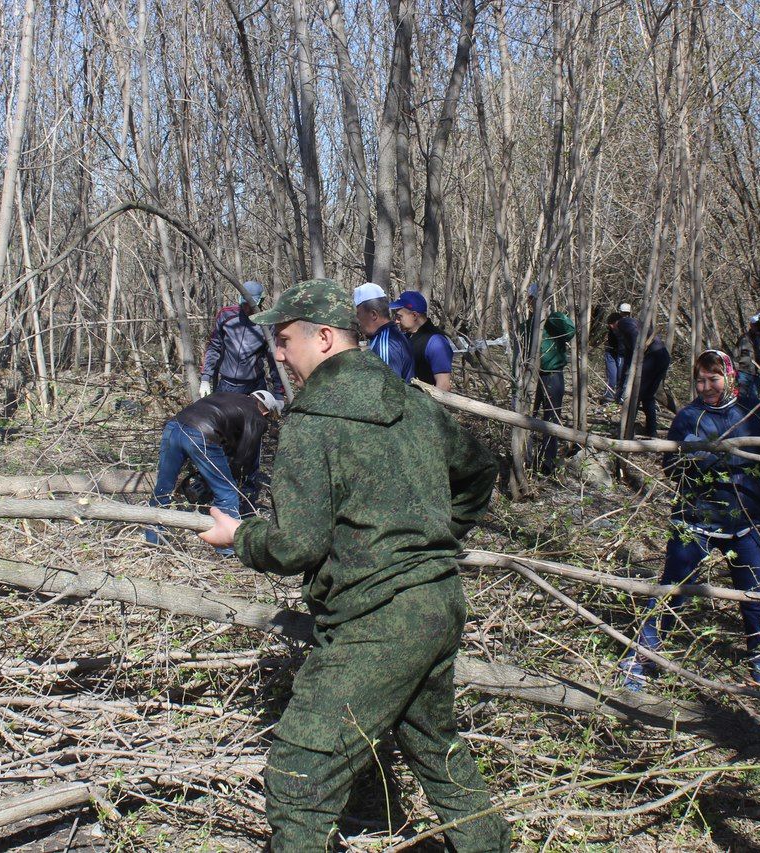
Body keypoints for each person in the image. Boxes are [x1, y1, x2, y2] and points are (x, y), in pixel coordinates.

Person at [200, 278, 509, 852]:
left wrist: (240, 536)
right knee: (435, 748)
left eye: (286, 339)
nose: (280, 354)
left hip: (378, 622)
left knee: (298, 778)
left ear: (322, 338)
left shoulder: (313, 422)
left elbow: (296, 545)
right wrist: (436, 538)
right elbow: (479, 467)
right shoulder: (412, 402)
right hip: (438, 603)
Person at [619, 350, 760, 688]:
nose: (706, 387)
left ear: (730, 377)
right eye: (700, 380)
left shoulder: (754, 410)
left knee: (754, 594)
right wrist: (693, 454)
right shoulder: (689, 417)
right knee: (673, 588)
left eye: (713, 379)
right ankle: (643, 655)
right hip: (695, 518)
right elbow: (672, 467)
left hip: (745, 518)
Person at [145, 389, 281, 551]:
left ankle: (153, 542)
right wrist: (232, 477)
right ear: (266, 411)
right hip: (200, 434)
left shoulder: (227, 395)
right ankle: (229, 550)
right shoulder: (257, 417)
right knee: (227, 493)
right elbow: (244, 457)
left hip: (174, 426)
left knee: (163, 489)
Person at [198, 280, 285, 398]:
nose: (247, 308)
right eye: (244, 303)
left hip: (255, 386)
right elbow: (214, 347)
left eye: (250, 304)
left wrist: (278, 393)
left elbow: (274, 359)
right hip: (227, 385)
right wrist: (205, 378)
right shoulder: (226, 315)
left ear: (260, 301)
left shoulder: (267, 323)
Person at [526, 283, 576, 474]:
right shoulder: (528, 323)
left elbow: (570, 331)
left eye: (536, 300)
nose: (532, 303)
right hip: (531, 377)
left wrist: (550, 315)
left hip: (552, 376)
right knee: (527, 415)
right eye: (532, 300)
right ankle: (527, 458)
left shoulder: (554, 320)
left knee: (551, 418)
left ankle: (548, 463)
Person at [612, 311, 671, 438]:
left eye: (611, 326)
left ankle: (628, 430)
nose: (612, 330)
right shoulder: (625, 335)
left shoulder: (625, 322)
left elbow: (635, 337)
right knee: (648, 396)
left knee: (636, 394)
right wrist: (620, 386)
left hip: (654, 357)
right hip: (662, 357)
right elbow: (626, 363)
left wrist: (637, 352)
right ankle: (651, 430)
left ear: (614, 323)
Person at [390, 290, 454, 390]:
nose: (396, 321)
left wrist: (430, 405)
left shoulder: (436, 342)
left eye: (399, 317)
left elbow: (443, 386)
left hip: (424, 403)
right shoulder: (407, 336)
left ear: (414, 315)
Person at [353, 282, 413, 382]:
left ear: (373, 314)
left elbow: (390, 391)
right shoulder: (388, 336)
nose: (356, 319)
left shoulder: (385, 345)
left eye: (358, 314)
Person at [734, 314, 760, 399]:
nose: (756, 327)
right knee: (741, 396)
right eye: (755, 325)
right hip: (743, 371)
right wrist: (735, 370)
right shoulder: (744, 338)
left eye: (757, 325)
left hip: (757, 373)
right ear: (751, 325)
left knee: (754, 397)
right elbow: (736, 354)